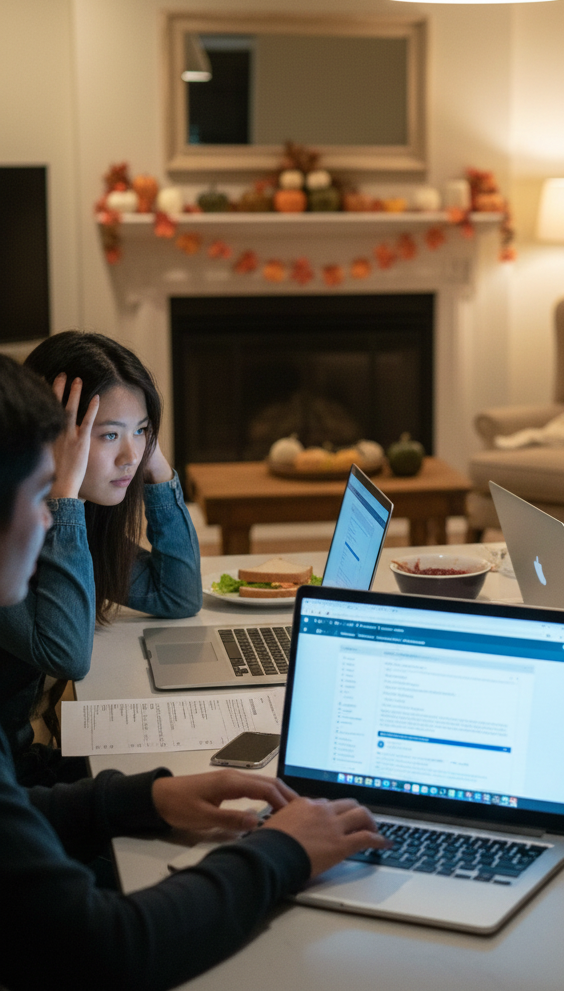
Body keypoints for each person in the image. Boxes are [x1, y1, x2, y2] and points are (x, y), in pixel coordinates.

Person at [0, 353, 390, 989]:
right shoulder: (62, 532)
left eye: (143, 431)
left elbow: (180, 592)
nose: (51, 517)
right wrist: (282, 852)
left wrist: (144, 796)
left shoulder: (89, 529)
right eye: (43, 493)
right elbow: (106, 947)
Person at [0, 332, 202, 780]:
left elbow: (177, 593)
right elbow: (68, 656)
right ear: (50, 437)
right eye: (109, 434)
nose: (129, 455)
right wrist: (63, 496)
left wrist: (156, 466)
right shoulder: (14, 535)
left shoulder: (80, 518)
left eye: (142, 431)